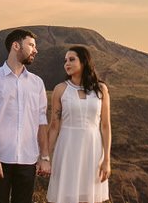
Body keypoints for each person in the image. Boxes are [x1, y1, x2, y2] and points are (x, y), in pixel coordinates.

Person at [0, 28, 52, 203]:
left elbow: (41, 122)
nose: (35, 50)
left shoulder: (37, 83)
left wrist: (45, 157)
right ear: (16, 46)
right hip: (0, 159)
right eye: (31, 45)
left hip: (28, 160)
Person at [47, 45, 111, 203]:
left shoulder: (101, 90)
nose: (66, 63)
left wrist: (107, 160)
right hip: (67, 147)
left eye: (71, 59)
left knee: (89, 195)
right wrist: (45, 157)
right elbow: (54, 126)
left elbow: (105, 125)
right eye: (65, 60)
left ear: (84, 62)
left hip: (93, 149)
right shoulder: (60, 90)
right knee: (67, 194)